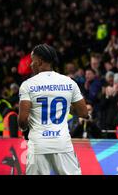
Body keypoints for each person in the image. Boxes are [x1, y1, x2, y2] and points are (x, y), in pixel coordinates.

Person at [18, 44, 89, 175]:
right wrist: (66, 108)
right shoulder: (69, 82)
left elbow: (22, 120)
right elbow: (84, 113)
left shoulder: (28, 85)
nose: (30, 65)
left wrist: (24, 128)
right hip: (62, 143)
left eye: (32, 61)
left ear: (39, 61)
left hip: (38, 145)